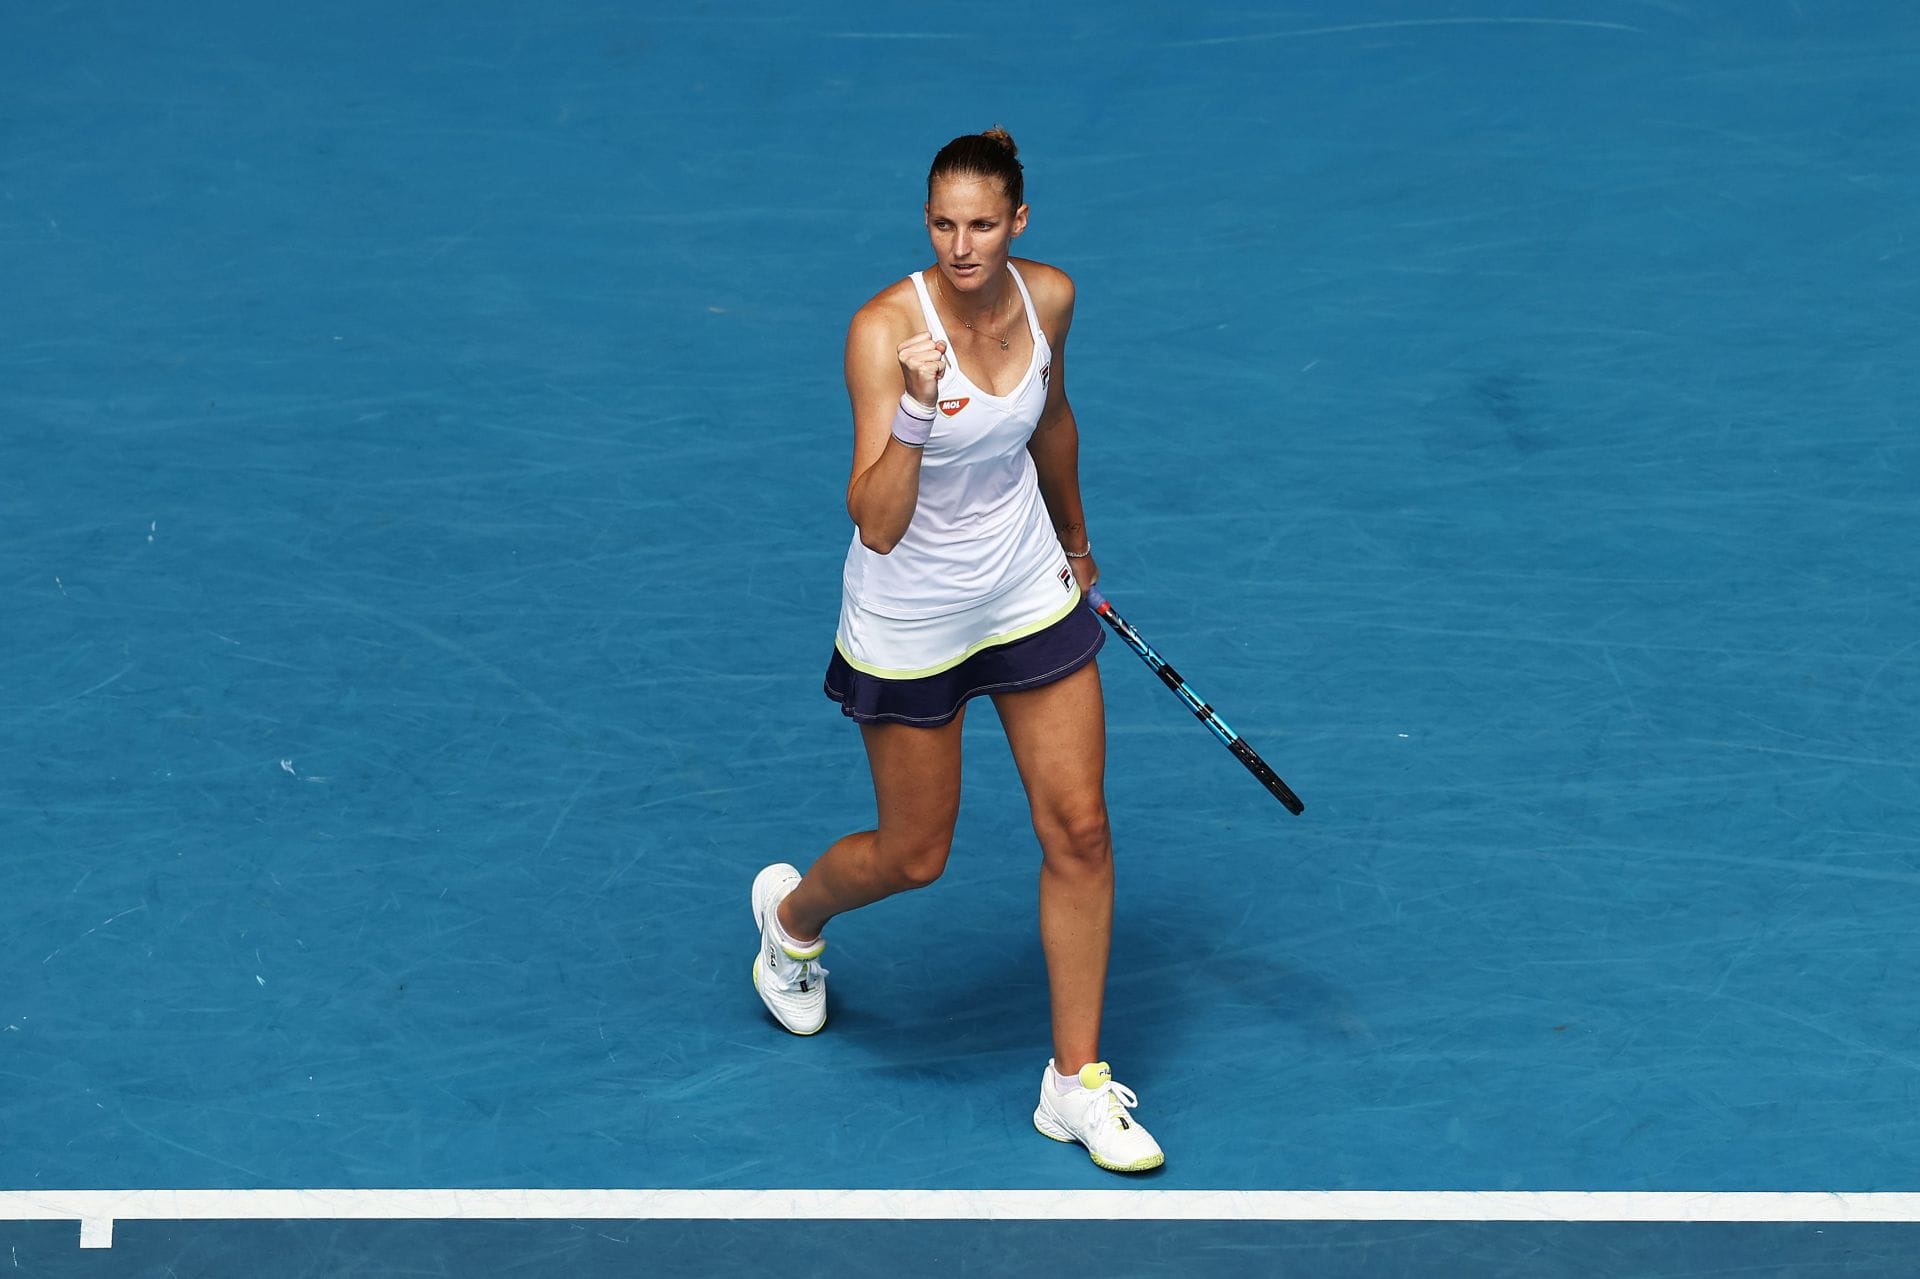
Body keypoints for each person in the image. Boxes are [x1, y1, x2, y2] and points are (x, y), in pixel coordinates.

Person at [749, 127, 1163, 1174]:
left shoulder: (1050, 299)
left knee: (1080, 828)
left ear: (1018, 220)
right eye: (943, 225)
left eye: (982, 225)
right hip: (912, 614)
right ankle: (792, 920)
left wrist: (1075, 542)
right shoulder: (885, 328)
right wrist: (923, 411)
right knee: (914, 854)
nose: (962, 246)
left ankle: (1077, 1083)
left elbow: (1052, 421)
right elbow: (876, 520)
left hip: (1025, 584)